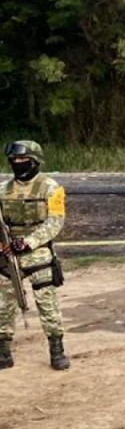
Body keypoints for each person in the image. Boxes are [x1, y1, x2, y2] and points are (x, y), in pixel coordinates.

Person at [0, 141, 70, 370]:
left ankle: (56, 349)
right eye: (14, 161)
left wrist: (29, 243)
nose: (18, 164)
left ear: (35, 161)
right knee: (3, 303)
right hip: (8, 250)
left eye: (23, 161)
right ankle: (3, 350)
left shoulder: (51, 188)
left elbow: (55, 221)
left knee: (46, 300)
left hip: (37, 248)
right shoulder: (3, 189)